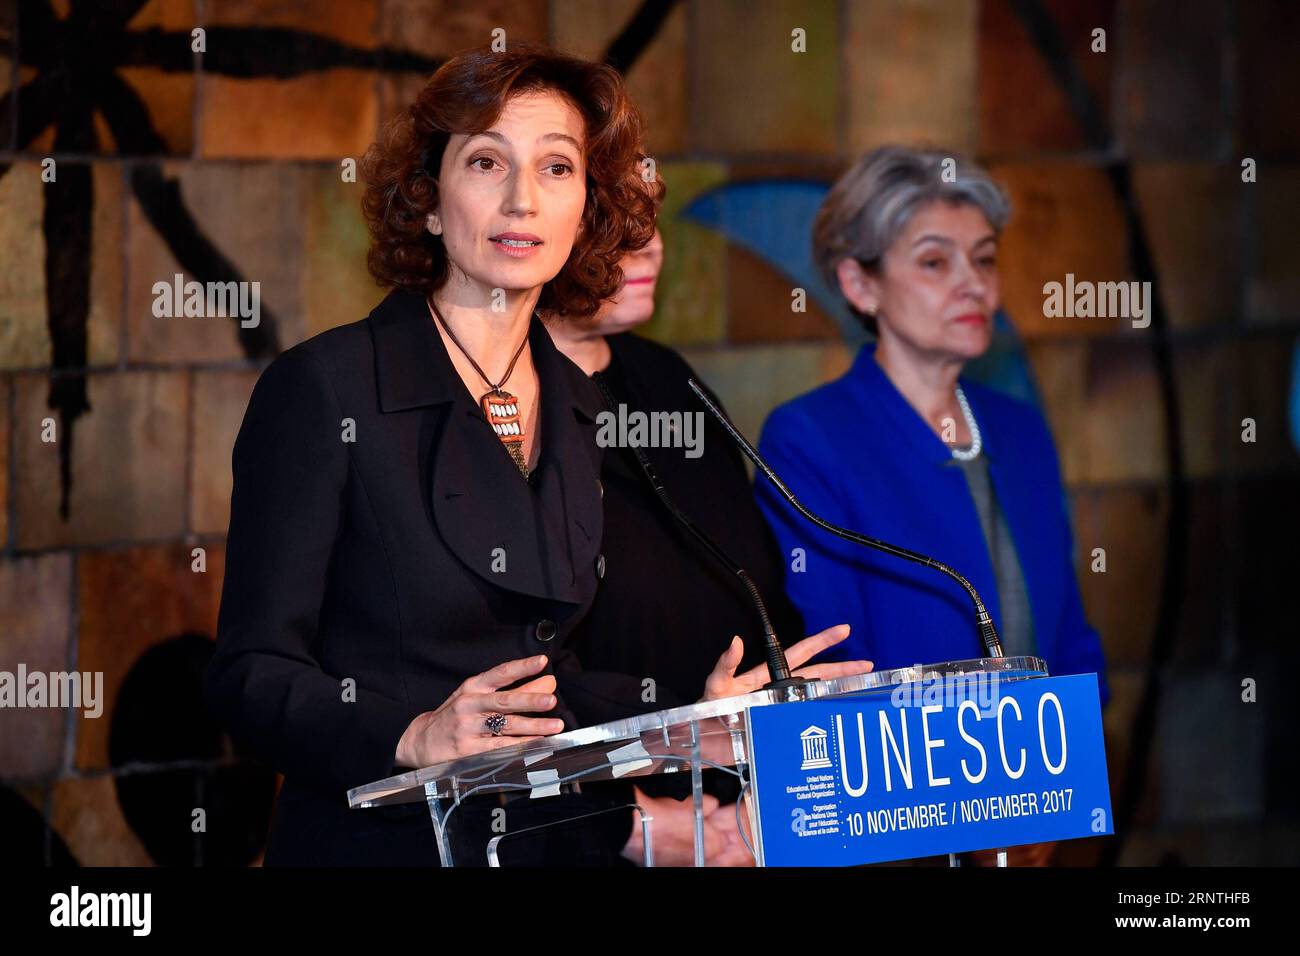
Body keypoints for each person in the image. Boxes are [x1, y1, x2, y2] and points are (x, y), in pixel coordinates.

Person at [205, 43, 861, 867]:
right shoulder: (328, 389)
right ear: (429, 201)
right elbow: (250, 674)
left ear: (586, 211)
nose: (522, 199)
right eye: (486, 162)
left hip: (537, 847)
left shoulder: (577, 402)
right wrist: (411, 735)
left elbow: (549, 681)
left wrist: (689, 724)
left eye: (557, 168)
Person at [754, 146, 1109, 866]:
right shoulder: (809, 437)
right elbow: (836, 663)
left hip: (1041, 815)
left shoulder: (1019, 428)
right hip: (899, 832)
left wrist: (1057, 795)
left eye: (984, 259)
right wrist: (970, 817)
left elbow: (1069, 635)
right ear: (860, 283)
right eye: (935, 262)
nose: (973, 284)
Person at [544, 228, 806, 865]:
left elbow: (758, 588)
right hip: (586, 827)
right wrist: (629, 821)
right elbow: (492, 669)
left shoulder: (665, 376)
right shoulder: (491, 404)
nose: (652, 246)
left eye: (651, 218)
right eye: (616, 223)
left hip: (742, 814)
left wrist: (778, 787)